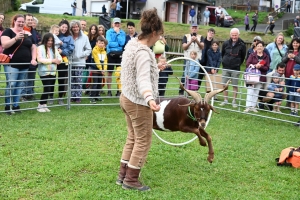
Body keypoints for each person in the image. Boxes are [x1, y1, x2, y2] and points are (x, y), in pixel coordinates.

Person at [118, 8, 165, 191]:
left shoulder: (132, 44)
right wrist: (149, 98)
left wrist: (157, 68)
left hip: (126, 97)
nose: (159, 39)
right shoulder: (143, 52)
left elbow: (138, 71)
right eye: (159, 35)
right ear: (153, 32)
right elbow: (143, 79)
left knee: (132, 137)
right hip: (138, 102)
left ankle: (123, 175)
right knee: (143, 140)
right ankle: (131, 180)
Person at [1, 14, 37, 115]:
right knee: (11, 84)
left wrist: (33, 58)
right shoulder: (8, 31)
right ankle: (8, 105)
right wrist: (16, 38)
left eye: (22, 22)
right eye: (19, 21)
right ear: (14, 21)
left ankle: (16, 105)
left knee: (19, 86)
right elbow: (4, 44)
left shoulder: (28, 33)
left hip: (24, 64)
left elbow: (33, 47)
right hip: (11, 64)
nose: (21, 23)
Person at [219, 28, 246, 108]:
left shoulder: (242, 44)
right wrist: (224, 61)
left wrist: (237, 63)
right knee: (224, 84)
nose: (234, 37)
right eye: (233, 35)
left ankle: (234, 101)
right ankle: (225, 100)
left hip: (235, 68)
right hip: (226, 67)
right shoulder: (226, 43)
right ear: (230, 35)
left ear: (238, 35)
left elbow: (243, 56)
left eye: (235, 35)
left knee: (235, 85)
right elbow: (223, 53)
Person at [36, 33, 62, 112]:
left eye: (51, 40)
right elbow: (40, 59)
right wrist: (52, 61)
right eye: (48, 40)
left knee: (49, 88)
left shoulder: (54, 48)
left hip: (53, 71)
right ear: (45, 40)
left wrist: (58, 61)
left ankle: (44, 104)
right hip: (44, 71)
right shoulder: (40, 48)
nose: (50, 42)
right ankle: (40, 105)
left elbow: (59, 58)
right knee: (47, 87)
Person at [69, 20, 92, 103]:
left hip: (80, 62)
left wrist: (81, 54)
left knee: (78, 80)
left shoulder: (84, 37)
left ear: (79, 27)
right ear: (71, 28)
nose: (75, 28)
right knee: (71, 80)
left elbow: (89, 49)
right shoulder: (69, 36)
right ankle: (72, 96)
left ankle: (78, 96)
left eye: (77, 26)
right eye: (74, 27)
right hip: (70, 62)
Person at [244, 41, 270, 113]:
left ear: (263, 47)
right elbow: (247, 64)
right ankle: (248, 107)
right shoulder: (252, 55)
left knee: (256, 92)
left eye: (261, 46)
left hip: (260, 77)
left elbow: (267, 67)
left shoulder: (266, 57)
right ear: (256, 47)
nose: (259, 47)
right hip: (251, 76)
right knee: (250, 91)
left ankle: (253, 106)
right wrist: (255, 66)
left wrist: (261, 66)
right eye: (258, 46)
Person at [179, 23, 204, 95]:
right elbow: (184, 47)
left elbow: (202, 47)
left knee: (195, 75)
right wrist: (190, 41)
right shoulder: (186, 36)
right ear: (190, 28)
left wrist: (196, 41)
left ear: (198, 29)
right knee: (185, 75)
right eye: (193, 28)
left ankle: (193, 91)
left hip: (196, 60)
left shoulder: (201, 37)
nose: (194, 29)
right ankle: (181, 91)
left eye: (196, 28)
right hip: (187, 59)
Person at [54, 19, 75, 105]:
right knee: (51, 78)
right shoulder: (54, 34)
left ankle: (60, 97)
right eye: (63, 27)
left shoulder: (69, 37)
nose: (64, 29)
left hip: (63, 59)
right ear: (59, 27)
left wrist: (62, 51)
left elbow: (71, 48)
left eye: (66, 27)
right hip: (53, 59)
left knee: (61, 79)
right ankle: (50, 96)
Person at [21, 14, 39, 101]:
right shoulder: (21, 31)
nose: (30, 21)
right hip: (24, 57)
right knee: (24, 77)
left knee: (31, 76)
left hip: (33, 57)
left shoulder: (34, 31)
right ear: (24, 21)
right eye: (28, 20)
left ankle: (30, 93)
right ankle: (23, 94)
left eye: (31, 20)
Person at [106, 17, 126, 96]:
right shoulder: (109, 32)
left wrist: (117, 34)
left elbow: (122, 43)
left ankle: (119, 90)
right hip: (111, 54)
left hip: (120, 54)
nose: (117, 25)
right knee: (109, 73)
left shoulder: (122, 33)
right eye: (115, 23)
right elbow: (109, 43)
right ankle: (109, 91)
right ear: (112, 24)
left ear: (120, 24)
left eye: (118, 23)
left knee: (120, 73)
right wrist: (116, 44)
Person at [282, 37, 300, 103]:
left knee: (295, 89)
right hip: (288, 73)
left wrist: (295, 57)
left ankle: (295, 104)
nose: (295, 44)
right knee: (288, 89)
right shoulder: (288, 51)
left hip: (297, 75)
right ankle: (288, 103)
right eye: (294, 43)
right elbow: (282, 60)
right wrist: (287, 57)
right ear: (292, 44)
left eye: (297, 43)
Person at [90, 36, 107, 103]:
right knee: (95, 83)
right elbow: (97, 60)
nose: (101, 44)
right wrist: (101, 69)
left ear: (104, 44)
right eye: (99, 43)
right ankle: (92, 96)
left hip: (101, 70)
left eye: (102, 43)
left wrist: (104, 69)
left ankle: (97, 95)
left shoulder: (104, 52)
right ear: (96, 43)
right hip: (95, 69)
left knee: (99, 83)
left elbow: (105, 61)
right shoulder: (94, 50)